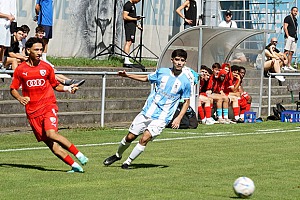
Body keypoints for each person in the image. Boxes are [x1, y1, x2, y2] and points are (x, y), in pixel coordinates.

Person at [10, 37, 88, 173]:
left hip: (48, 106)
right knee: (51, 143)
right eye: (36, 50)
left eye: (41, 49)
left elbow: (55, 85)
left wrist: (68, 88)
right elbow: (13, 89)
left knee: (51, 133)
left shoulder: (46, 67)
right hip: (32, 112)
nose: (40, 52)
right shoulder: (20, 70)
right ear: (28, 51)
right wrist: (19, 98)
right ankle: (74, 166)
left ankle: (79, 154)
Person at [103, 49, 191, 169]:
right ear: (172, 60)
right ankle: (118, 155)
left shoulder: (185, 81)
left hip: (163, 117)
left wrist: (178, 118)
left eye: (182, 60)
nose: (179, 63)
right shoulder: (162, 72)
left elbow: (187, 101)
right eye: (177, 60)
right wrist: (127, 75)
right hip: (147, 112)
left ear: (185, 62)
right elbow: (146, 78)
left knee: (145, 138)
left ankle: (127, 162)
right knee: (130, 137)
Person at [123, 0, 142, 65]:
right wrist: (135, 19)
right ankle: (126, 59)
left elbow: (132, 17)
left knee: (130, 42)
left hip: (132, 26)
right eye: (138, 0)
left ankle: (127, 58)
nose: (138, 1)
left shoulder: (133, 5)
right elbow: (125, 16)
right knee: (128, 41)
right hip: (129, 26)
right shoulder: (128, 5)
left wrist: (137, 25)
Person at [34, 0, 53, 64]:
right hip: (43, 21)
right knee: (41, 39)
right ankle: (39, 57)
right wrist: (37, 15)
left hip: (49, 22)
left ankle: (44, 58)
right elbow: (37, 7)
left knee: (46, 40)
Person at [0, 0, 16, 68]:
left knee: (4, 46)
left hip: (8, 25)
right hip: (1, 23)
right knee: (1, 45)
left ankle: (1, 63)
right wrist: (7, 16)